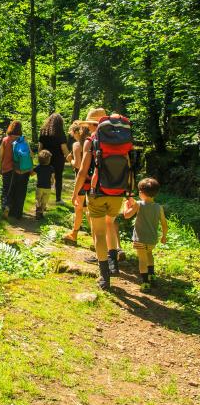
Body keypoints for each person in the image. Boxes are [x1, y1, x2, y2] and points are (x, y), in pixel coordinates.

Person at [72, 108, 128, 290]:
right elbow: (130, 168)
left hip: (97, 193)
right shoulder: (122, 143)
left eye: (88, 124)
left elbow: (82, 171)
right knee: (110, 224)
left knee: (99, 233)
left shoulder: (91, 141)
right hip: (117, 193)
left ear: (91, 125)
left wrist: (75, 192)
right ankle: (114, 265)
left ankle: (104, 276)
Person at [123, 178, 168, 290]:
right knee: (149, 254)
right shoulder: (159, 207)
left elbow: (126, 215)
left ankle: (145, 282)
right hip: (152, 239)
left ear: (142, 193)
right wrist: (164, 236)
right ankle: (152, 275)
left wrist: (126, 205)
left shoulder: (139, 204)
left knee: (142, 260)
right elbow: (164, 224)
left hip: (140, 239)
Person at [63, 122, 90, 244]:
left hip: (81, 179)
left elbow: (78, 165)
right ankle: (96, 237)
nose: (72, 136)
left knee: (78, 208)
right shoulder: (91, 142)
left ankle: (74, 234)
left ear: (76, 132)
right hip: (91, 179)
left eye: (72, 133)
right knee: (88, 209)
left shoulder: (77, 145)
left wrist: (70, 160)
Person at [38, 113, 70, 204]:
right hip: (58, 159)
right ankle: (58, 199)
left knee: (45, 178)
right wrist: (70, 159)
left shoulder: (43, 131)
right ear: (60, 122)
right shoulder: (60, 132)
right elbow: (64, 148)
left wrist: (40, 157)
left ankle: (42, 199)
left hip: (45, 158)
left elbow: (40, 146)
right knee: (58, 178)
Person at [0, 120, 22, 217]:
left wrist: (0, 167)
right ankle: (12, 210)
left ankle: (5, 207)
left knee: (6, 188)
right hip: (19, 169)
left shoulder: (5, 140)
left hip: (6, 168)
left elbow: (1, 155)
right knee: (15, 189)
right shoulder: (22, 140)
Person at [34, 149, 54, 219]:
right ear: (49, 160)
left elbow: (32, 174)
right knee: (44, 202)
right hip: (47, 188)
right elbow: (52, 178)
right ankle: (41, 213)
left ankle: (38, 210)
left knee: (37, 199)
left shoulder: (38, 167)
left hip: (39, 187)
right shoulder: (51, 168)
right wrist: (52, 182)